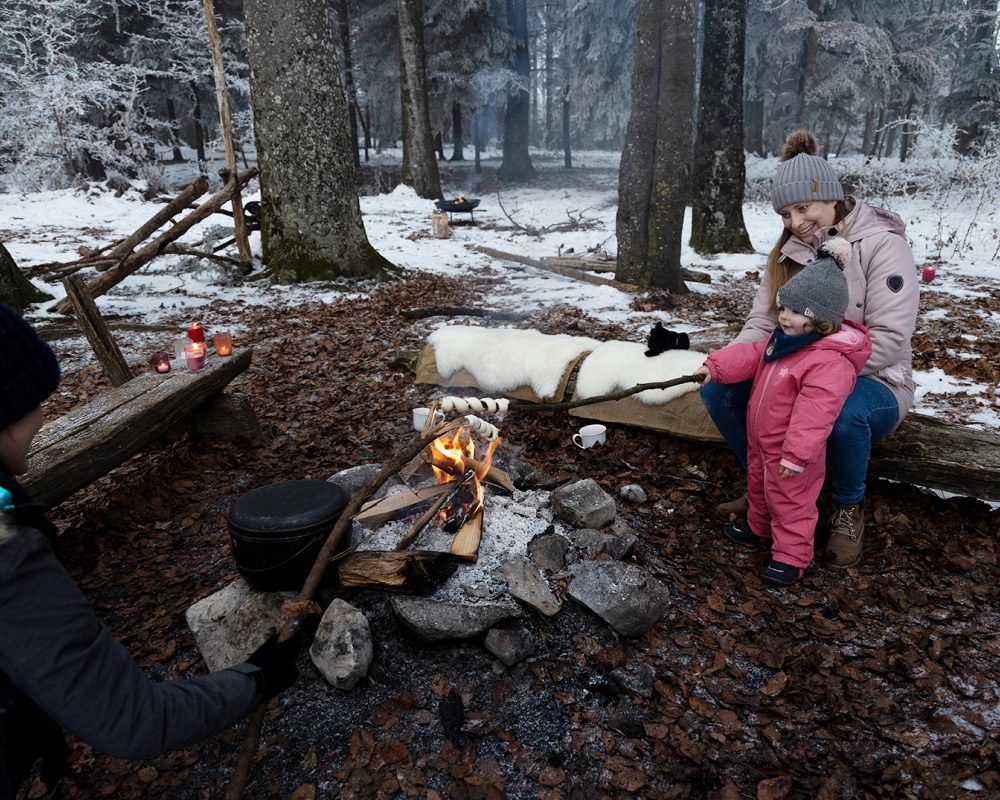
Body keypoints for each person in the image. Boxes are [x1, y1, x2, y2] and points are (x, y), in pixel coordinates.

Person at [0, 304, 298, 798]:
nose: (42, 413)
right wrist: (258, 677)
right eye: (33, 400)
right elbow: (133, 720)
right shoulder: (6, 553)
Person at [700, 129, 919, 570]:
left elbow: (891, 338)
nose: (795, 221)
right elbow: (762, 322)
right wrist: (729, 362)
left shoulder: (882, 245)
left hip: (874, 378)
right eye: (785, 213)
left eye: (804, 208)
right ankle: (769, 491)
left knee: (837, 413)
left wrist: (811, 372)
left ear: (832, 197)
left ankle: (845, 505)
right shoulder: (790, 252)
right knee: (718, 391)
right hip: (791, 369)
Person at [696, 239, 872, 585]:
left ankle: (791, 556)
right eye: (783, 308)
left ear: (819, 321)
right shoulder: (783, 341)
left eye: (793, 312)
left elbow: (815, 414)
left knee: (791, 502)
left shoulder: (827, 363)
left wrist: (797, 455)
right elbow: (750, 354)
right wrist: (714, 367)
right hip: (762, 442)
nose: (783, 317)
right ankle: (757, 527)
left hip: (791, 452)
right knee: (759, 487)